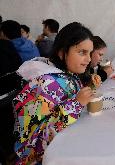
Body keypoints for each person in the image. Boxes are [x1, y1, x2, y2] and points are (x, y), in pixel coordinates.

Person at [13, 22, 95, 164]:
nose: (88, 59)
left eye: (90, 53)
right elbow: (36, 137)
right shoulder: (45, 84)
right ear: (62, 52)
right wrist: (76, 104)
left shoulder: (67, 74)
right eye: (82, 52)